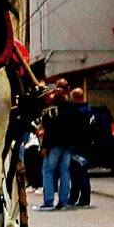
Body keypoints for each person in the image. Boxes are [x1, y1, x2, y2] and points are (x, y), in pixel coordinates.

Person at [38, 81, 74, 211]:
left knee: (48, 171)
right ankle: (63, 201)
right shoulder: (70, 107)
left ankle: (48, 201)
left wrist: (44, 146)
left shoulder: (51, 109)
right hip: (67, 144)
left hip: (54, 144)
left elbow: (49, 129)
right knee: (65, 172)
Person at [67, 88, 92, 207]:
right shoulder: (88, 110)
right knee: (78, 173)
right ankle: (76, 197)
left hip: (78, 146)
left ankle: (82, 198)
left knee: (79, 173)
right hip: (86, 145)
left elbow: (74, 130)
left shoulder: (77, 112)